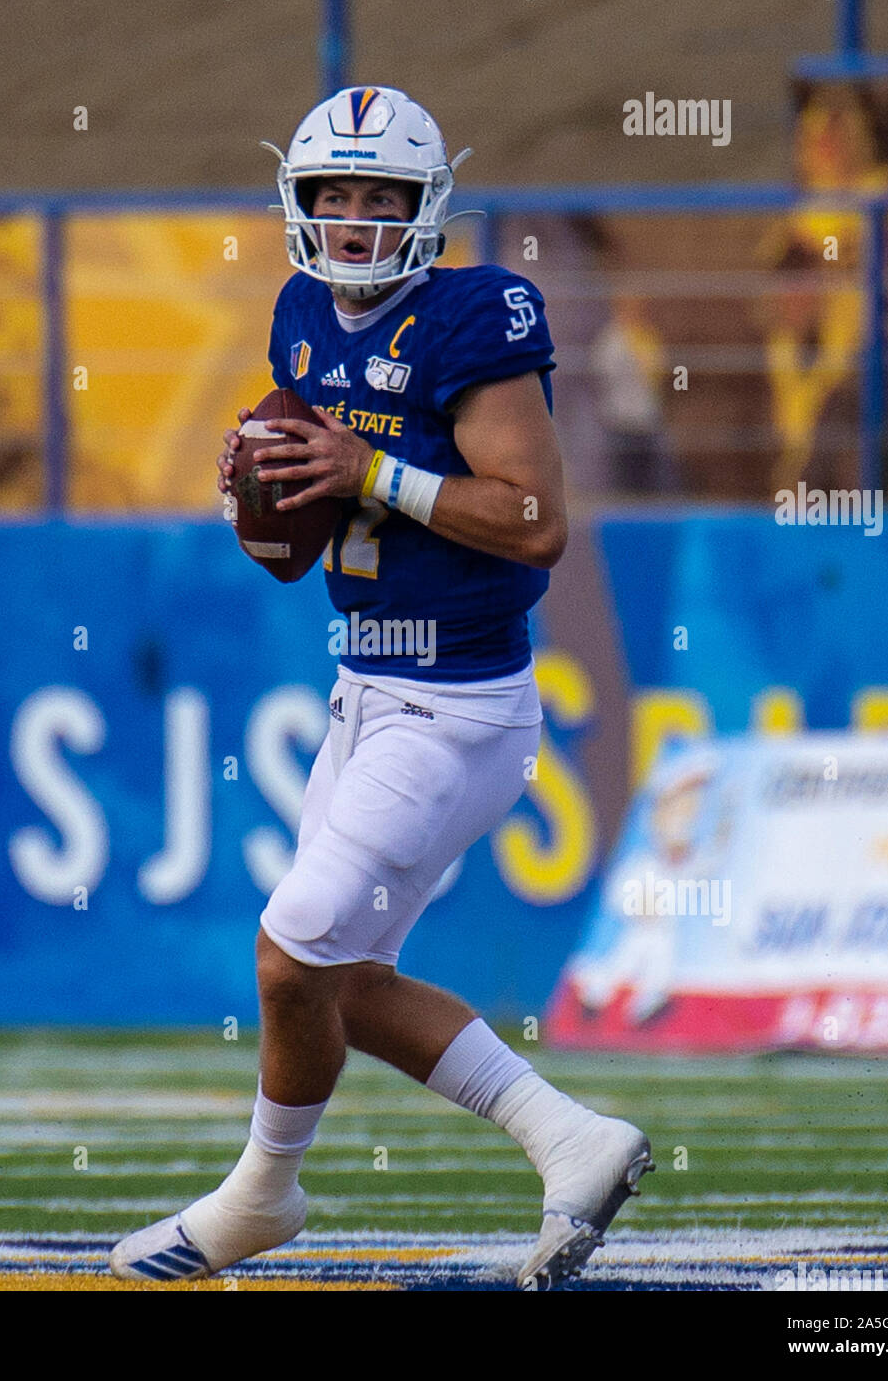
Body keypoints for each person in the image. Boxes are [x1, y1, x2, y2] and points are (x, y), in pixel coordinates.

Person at [110, 85, 652, 1291]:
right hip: (365, 686)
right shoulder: (299, 313)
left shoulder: (476, 315)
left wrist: (373, 469)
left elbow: (535, 520)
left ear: (427, 207)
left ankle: (261, 1190)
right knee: (345, 982)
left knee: (292, 950)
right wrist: (268, 489)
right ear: (300, 204)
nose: (355, 221)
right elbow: (293, 541)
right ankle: (573, 1139)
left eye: (381, 197)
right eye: (334, 196)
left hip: (460, 708)